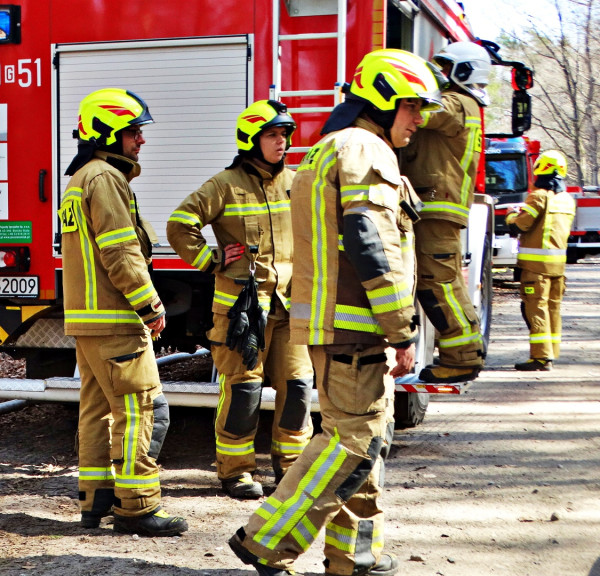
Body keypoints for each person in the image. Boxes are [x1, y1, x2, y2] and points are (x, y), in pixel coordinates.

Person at [227, 49, 444, 576]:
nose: (419, 119)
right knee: (349, 443)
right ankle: (266, 541)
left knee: (368, 440)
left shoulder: (332, 149)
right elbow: (370, 243)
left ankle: (353, 555)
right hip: (358, 327)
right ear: (384, 99)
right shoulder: (366, 150)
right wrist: (401, 327)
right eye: (413, 107)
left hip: (342, 326)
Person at [167, 100, 313, 500]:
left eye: (284, 135)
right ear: (251, 139)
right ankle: (236, 471)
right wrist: (212, 260)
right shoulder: (224, 185)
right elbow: (180, 225)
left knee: (298, 388)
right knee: (244, 391)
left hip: (291, 306)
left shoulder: (296, 182)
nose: (281, 142)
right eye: (272, 135)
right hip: (242, 312)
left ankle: (292, 469)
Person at [58, 87, 188, 537]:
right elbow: (121, 251)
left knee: (96, 411)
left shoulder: (78, 180)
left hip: (87, 321)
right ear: (111, 133)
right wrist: (149, 303)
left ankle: (94, 503)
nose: (141, 140)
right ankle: (137, 507)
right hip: (115, 320)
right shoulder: (105, 179)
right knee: (139, 411)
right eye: (134, 131)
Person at [400, 41, 491, 384]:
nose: (437, 71)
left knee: (437, 283)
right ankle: (464, 353)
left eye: (443, 65)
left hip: (437, 206)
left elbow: (426, 113)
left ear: (463, 70)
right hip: (438, 206)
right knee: (443, 282)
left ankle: (462, 356)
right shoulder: (467, 104)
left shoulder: (457, 102)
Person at [505, 150, 576, 371]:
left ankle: (540, 357)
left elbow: (520, 225)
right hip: (558, 268)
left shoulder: (539, 196)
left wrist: (510, 215)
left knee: (536, 310)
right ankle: (550, 353)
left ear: (540, 169)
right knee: (553, 309)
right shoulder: (567, 200)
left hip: (536, 269)